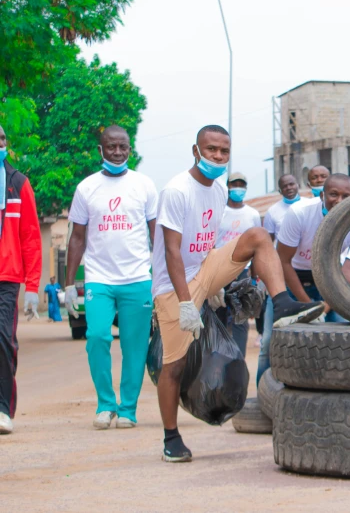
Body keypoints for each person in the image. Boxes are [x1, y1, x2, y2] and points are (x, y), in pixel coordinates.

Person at [152, 125, 323, 462]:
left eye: (224, 151)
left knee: (258, 235)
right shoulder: (175, 191)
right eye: (211, 149)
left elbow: (208, 242)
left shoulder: (218, 191)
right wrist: (188, 302)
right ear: (196, 151)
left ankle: (283, 304)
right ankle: (170, 438)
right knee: (174, 366)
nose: (218, 156)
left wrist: (216, 285)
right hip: (173, 286)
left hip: (203, 270)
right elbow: (171, 252)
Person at [64, 125, 158, 430]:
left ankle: (128, 409)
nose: (117, 152)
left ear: (130, 149)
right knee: (97, 337)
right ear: (100, 150)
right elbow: (77, 237)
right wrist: (68, 285)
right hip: (99, 279)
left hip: (137, 278)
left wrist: (161, 279)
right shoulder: (86, 188)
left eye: (123, 147)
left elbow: (156, 234)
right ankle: (105, 404)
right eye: (111, 147)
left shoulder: (144, 185)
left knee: (134, 345)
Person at [0, 124, 42, 435]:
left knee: (3, 340)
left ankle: (3, 408)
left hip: (7, 277)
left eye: (1, 138)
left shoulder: (18, 183)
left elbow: (30, 237)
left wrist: (32, 287)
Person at [277, 173, 350, 322]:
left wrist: (327, 305)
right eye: (333, 194)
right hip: (293, 278)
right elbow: (283, 261)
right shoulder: (299, 213)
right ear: (322, 195)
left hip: (331, 281)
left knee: (343, 334)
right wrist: (309, 307)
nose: (339, 201)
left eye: (346, 196)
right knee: (271, 340)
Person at [256, 174, 304, 376]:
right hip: (279, 279)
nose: (289, 188)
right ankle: (262, 392)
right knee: (268, 340)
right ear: (280, 190)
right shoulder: (273, 212)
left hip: (305, 275)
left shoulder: (308, 208)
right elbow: (267, 246)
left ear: (298, 185)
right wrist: (264, 278)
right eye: (284, 186)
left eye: (292, 183)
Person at [214, 171, 262, 357]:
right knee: (217, 317)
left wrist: (255, 278)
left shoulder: (252, 214)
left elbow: (257, 246)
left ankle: (237, 361)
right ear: (228, 187)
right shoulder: (219, 212)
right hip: (219, 271)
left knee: (240, 320)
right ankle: (216, 359)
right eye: (234, 185)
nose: (238, 188)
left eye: (241, 185)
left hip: (243, 272)